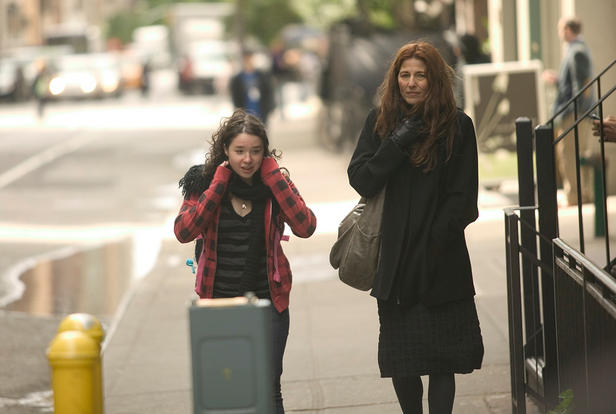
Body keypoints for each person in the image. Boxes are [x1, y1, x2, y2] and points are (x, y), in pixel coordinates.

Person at [347, 41, 483, 413]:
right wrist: (396, 142)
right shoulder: (380, 122)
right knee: (401, 361)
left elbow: (463, 201)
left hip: (442, 260)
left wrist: (431, 249)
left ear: (434, 78)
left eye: (420, 75)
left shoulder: (458, 126)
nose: (411, 83)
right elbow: (361, 179)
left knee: (443, 361)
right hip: (394, 262)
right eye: (404, 75)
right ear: (395, 79)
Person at [174, 109, 316, 413]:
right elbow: (184, 231)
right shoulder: (204, 183)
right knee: (226, 391)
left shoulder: (275, 184)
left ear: (264, 152)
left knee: (268, 389)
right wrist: (218, 185)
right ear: (225, 150)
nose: (247, 159)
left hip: (269, 303)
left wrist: (275, 179)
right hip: (218, 304)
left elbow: (306, 226)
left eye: (255, 151)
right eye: (239, 151)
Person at [543, 17, 595, 206]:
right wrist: (557, 80)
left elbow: (581, 86)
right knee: (577, 153)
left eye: (560, 29)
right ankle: (583, 193)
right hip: (578, 112)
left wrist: (574, 112)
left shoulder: (577, 52)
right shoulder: (576, 50)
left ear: (567, 30)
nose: (558, 33)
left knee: (569, 154)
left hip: (575, 114)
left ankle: (575, 195)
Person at [230, 50, 275, 126]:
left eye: (250, 58)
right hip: (246, 112)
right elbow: (235, 96)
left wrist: (270, 108)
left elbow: (268, 92)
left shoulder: (262, 76)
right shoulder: (238, 78)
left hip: (261, 111)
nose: (248, 61)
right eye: (246, 59)